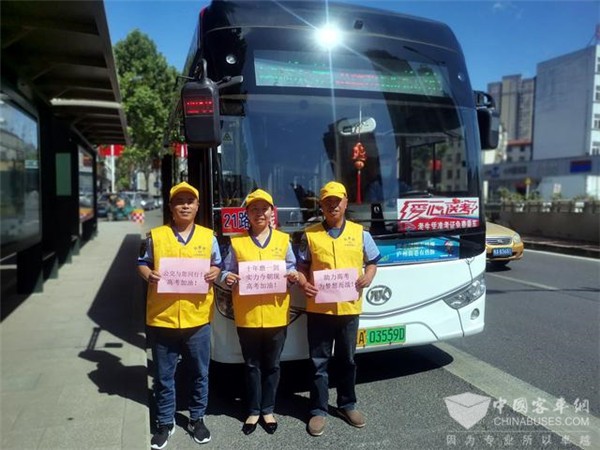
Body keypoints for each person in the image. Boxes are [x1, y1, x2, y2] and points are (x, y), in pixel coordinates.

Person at [138, 181, 222, 449]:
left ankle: (197, 418)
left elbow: (217, 264)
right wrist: (149, 275)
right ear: (171, 207)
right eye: (179, 201)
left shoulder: (209, 237)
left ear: (197, 207)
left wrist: (216, 272)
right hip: (163, 318)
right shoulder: (156, 236)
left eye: (190, 201)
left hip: (197, 318)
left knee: (199, 373)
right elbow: (142, 263)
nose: (185, 205)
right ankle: (165, 421)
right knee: (164, 376)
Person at [297, 181, 380, 437]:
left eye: (337, 201)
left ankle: (347, 405)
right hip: (319, 309)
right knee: (318, 362)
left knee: (347, 360)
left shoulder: (360, 233)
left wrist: (369, 276)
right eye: (328, 202)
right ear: (321, 206)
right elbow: (301, 267)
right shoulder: (310, 234)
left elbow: (373, 261)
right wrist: (303, 283)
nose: (333, 205)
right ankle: (318, 410)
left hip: (349, 308)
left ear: (345, 203)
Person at [221, 189, 299, 435]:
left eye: (264, 209)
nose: (259, 213)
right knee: (252, 365)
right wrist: (228, 277)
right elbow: (225, 271)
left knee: (273, 365)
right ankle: (253, 411)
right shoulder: (237, 242)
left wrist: (293, 276)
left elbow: (292, 267)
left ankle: (268, 410)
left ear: (271, 212)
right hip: (248, 315)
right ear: (247, 213)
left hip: (276, 313)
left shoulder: (283, 241)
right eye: (254, 209)